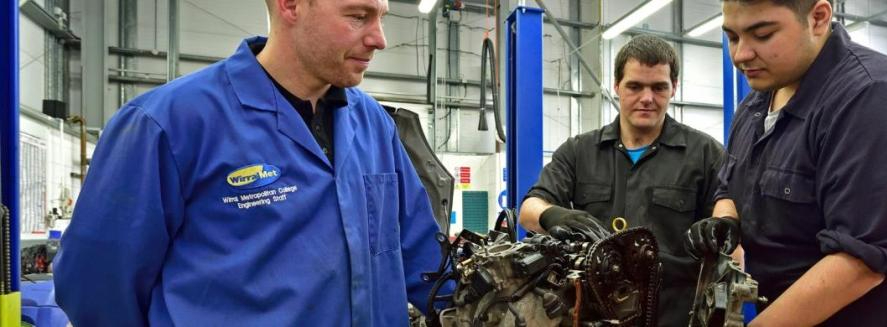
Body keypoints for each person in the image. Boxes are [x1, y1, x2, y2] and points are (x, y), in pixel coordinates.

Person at [53, 0, 447, 325]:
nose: (379, 39)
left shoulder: (374, 124)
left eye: (381, 17)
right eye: (358, 16)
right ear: (290, 5)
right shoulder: (168, 123)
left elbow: (424, 262)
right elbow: (96, 286)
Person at [685, 0, 887, 326]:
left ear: (818, 18)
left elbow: (862, 261)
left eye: (762, 35)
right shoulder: (753, 107)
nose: (741, 54)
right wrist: (727, 221)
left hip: (875, 312)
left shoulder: (876, 98)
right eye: (732, 37)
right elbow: (729, 186)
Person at [520, 34, 726, 326]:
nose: (646, 98)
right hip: (592, 315)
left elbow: (729, 235)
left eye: (658, 87)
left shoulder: (705, 154)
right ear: (616, 86)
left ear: (674, 88)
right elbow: (529, 210)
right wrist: (555, 214)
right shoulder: (579, 152)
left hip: (674, 316)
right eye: (634, 86)